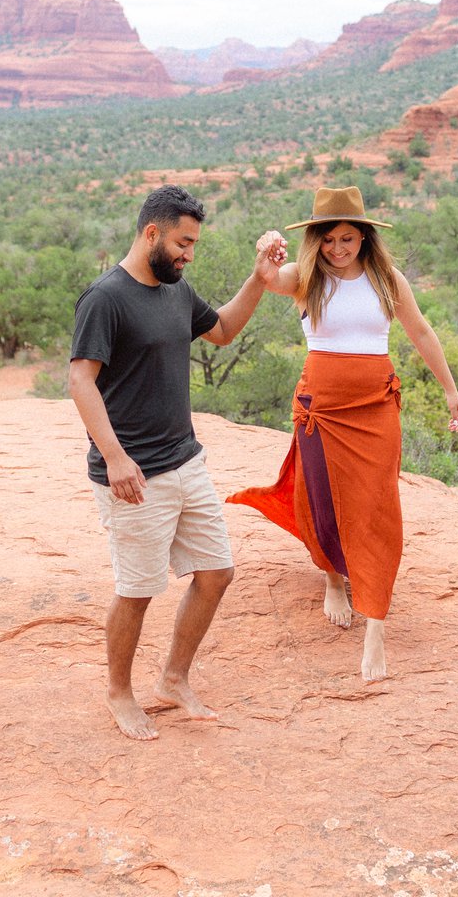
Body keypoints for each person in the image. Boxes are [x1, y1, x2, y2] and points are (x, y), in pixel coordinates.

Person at [68, 184, 284, 740]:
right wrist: (114, 459)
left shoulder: (176, 290)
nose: (189, 255)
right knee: (138, 589)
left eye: (193, 245)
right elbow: (80, 379)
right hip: (134, 474)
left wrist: (259, 280)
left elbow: (224, 330)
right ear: (151, 234)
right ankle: (119, 692)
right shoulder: (106, 298)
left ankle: (172, 678)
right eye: (183, 244)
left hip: (186, 462)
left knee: (216, 573)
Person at [231, 186, 458, 681]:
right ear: (315, 240)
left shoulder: (387, 279)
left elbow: (420, 332)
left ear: (365, 238)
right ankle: (334, 579)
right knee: (322, 497)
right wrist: (265, 251)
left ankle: (375, 626)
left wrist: (450, 390)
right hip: (321, 408)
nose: (339, 248)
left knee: (377, 503)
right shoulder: (305, 278)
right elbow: (268, 278)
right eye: (330, 239)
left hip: (376, 406)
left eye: (348, 238)